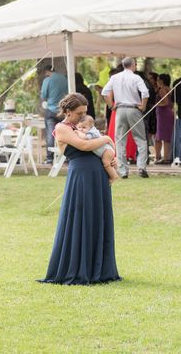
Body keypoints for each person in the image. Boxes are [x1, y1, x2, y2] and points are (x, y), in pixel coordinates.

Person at [40, 93, 121, 285]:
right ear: (68, 111)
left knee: (97, 217)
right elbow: (84, 145)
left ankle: (100, 269)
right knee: (81, 217)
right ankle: (78, 267)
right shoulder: (61, 128)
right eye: (79, 113)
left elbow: (94, 147)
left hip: (97, 175)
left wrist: (110, 156)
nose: (82, 116)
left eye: (85, 112)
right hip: (81, 177)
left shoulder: (81, 126)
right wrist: (107, 139)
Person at [102, 57, 150, 179]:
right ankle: (141, 167)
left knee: (120, 140)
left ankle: (123, 171)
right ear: (133, 65)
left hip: (120, 110)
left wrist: (110, 105)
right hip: (134, 109)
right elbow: (145, 92)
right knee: (141, 139)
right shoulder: (136, 77)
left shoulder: (115, 77)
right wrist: (143, 106)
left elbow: (104, 92)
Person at [76, 115, 118, 183]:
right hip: (104, 151)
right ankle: (114, 171)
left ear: (91, 127)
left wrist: (77, 132)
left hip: (106, 151)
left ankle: (114, 176)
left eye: (84, 127)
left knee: (106, 163)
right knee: (109, 163)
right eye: (79, 127)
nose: (81, 129)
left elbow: (85, 138)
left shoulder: (92, 132)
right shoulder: (87, 131)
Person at [40, 66, 68, 163]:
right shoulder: (64, 79)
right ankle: (67, 157)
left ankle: (49, 158)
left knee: (50, 134)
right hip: (63, 110)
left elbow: (43, 95)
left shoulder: (47, 80)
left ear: (47, 72)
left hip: (51, 110)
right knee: (65, 133)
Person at [153, 73, 174, 164]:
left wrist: (155, 105)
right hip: (169, 112)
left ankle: (160, 157)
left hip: (163, 114)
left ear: (162, 80)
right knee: (166, 136)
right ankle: (166, 156)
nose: (157, 81)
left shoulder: (162, 89)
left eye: (158, 79)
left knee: (161, 136)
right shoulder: (170, 89)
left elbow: (165, 102)